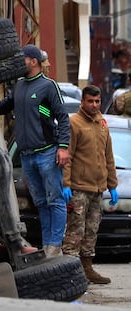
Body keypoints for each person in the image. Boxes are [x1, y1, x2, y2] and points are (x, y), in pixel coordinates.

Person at [0, 44, 71, 257]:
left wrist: (63, 147)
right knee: (41, 203)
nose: (20, 62)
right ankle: (47, 245)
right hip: (27, 155)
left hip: (48, 152)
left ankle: (54, 246)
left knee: (55, 200)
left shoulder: (48, 86)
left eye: (23, 59)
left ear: (33, 61)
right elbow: (3, 106)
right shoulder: (19, 86)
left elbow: (62, 117)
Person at [62, 85, 118, 284]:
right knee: (75, 231)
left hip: (98, 188)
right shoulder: (74, 123)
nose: (94, 105)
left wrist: (112, 185)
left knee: (92, 230)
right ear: (82, 102)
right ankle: (70, 271)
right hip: (78, 188)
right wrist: (66, 184)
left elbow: (108, 156)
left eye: (97, 101)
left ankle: (87, 269)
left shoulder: (103, 123)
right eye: (90, 101)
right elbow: (67, 156)